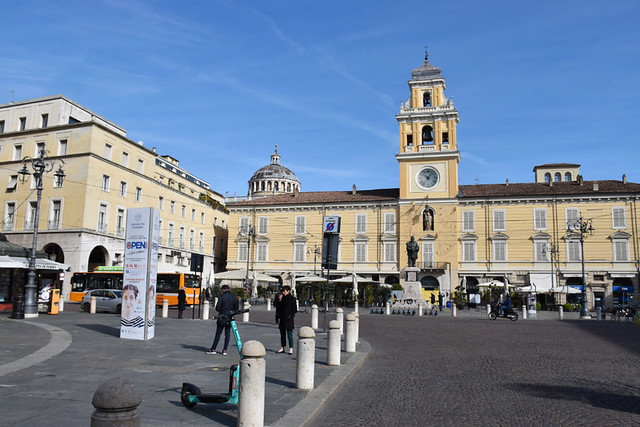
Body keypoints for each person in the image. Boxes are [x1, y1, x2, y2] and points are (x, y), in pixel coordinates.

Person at [207, 284, 239, 355]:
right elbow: (236, 308)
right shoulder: (234, 297)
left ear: (223, 290)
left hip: (222, 317)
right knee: (227, 334)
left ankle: (213, 349)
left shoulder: (222, 296)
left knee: (218, 334)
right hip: (230, 317)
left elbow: (218, 308)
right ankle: (225, 350)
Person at [277, 285, 297, 354]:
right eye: (282, 291)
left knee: (289, 334)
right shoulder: (282, 298)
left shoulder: (292, 299)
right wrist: (280, 300)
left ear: (288, 291)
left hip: (289, 319)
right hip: (282, 319)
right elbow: (278, 307)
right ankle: (282, 347)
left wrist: (290, 316)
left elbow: (294, 309)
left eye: (284, 291)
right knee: (282, 334)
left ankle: (291, 348)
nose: (283, 292)